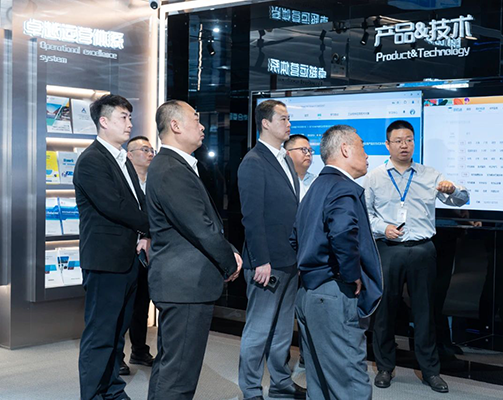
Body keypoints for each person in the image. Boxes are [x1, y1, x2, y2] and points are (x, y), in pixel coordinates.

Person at [363, 120, 469, 393]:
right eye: (398, 141)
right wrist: (383, 228)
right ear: (387, 145)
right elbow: (366, 215)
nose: (404, 145)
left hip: (423, 250)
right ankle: (385, 367)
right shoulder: (374, 177)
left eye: (409, 140)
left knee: (425, 313)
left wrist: (453, 191)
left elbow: (462, 200)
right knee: (385, 312)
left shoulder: (430, 175)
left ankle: (430, 371)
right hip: (388, 249)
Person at [145, 100, 242, 400]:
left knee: (170, 369)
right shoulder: (171, 169)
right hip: (185, 286)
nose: (202, 127)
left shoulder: (174, 166)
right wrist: (230, 262)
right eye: (196, 119)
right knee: (178, 377)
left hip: (182, 285)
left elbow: (201, 223)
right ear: (175, 125)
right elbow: (200, 227)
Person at [291, 125, 383, 400]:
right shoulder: (343, 188)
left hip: (309, 293)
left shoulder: (316, 187)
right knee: (350, 383)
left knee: (320, 381)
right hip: (334, 294)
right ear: (345, 149)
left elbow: (295, 237)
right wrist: (351, 274)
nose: (367, 155)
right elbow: (342, 233)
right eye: (363, 147)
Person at [74, 94, 150, 400]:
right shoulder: (92, 160)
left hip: (127, 260)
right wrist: (153, 225)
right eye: (123, 117)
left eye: (130, 117)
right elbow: (114, 206)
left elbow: (138, 201)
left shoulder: (122, 159)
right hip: (105, 262)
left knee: (117, 334)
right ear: (103, 121)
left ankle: (112, 391)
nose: (130, 123)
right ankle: (93, 395)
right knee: (100, 335)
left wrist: (145, 233)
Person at [237, 100, 305, 400]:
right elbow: (251, 217)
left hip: (289, 259)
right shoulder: (253, 161)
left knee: (282, 331)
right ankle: (251, 390)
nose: (289, 124)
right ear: (265, 123)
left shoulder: (286, 159)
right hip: (266, 262)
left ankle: (281, 383)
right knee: (258, 330)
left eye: (289, 118)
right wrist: (260, 260)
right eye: (283, 119)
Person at [117, 136, 156, 375]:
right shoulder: (122, 180)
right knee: (124, 306)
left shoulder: (155, 182)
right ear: (129, 155)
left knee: (143, 303)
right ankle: (117, 356)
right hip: (126, 251)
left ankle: (139, 350)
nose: (150, 153)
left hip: (150, 251)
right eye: (144, 149)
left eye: (151, 149)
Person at [284, 134, 316, 201]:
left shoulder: (316, 181)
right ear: (287, 153)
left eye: (310, 150)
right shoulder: (281, 180)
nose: (308, 154)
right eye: (303, 150)